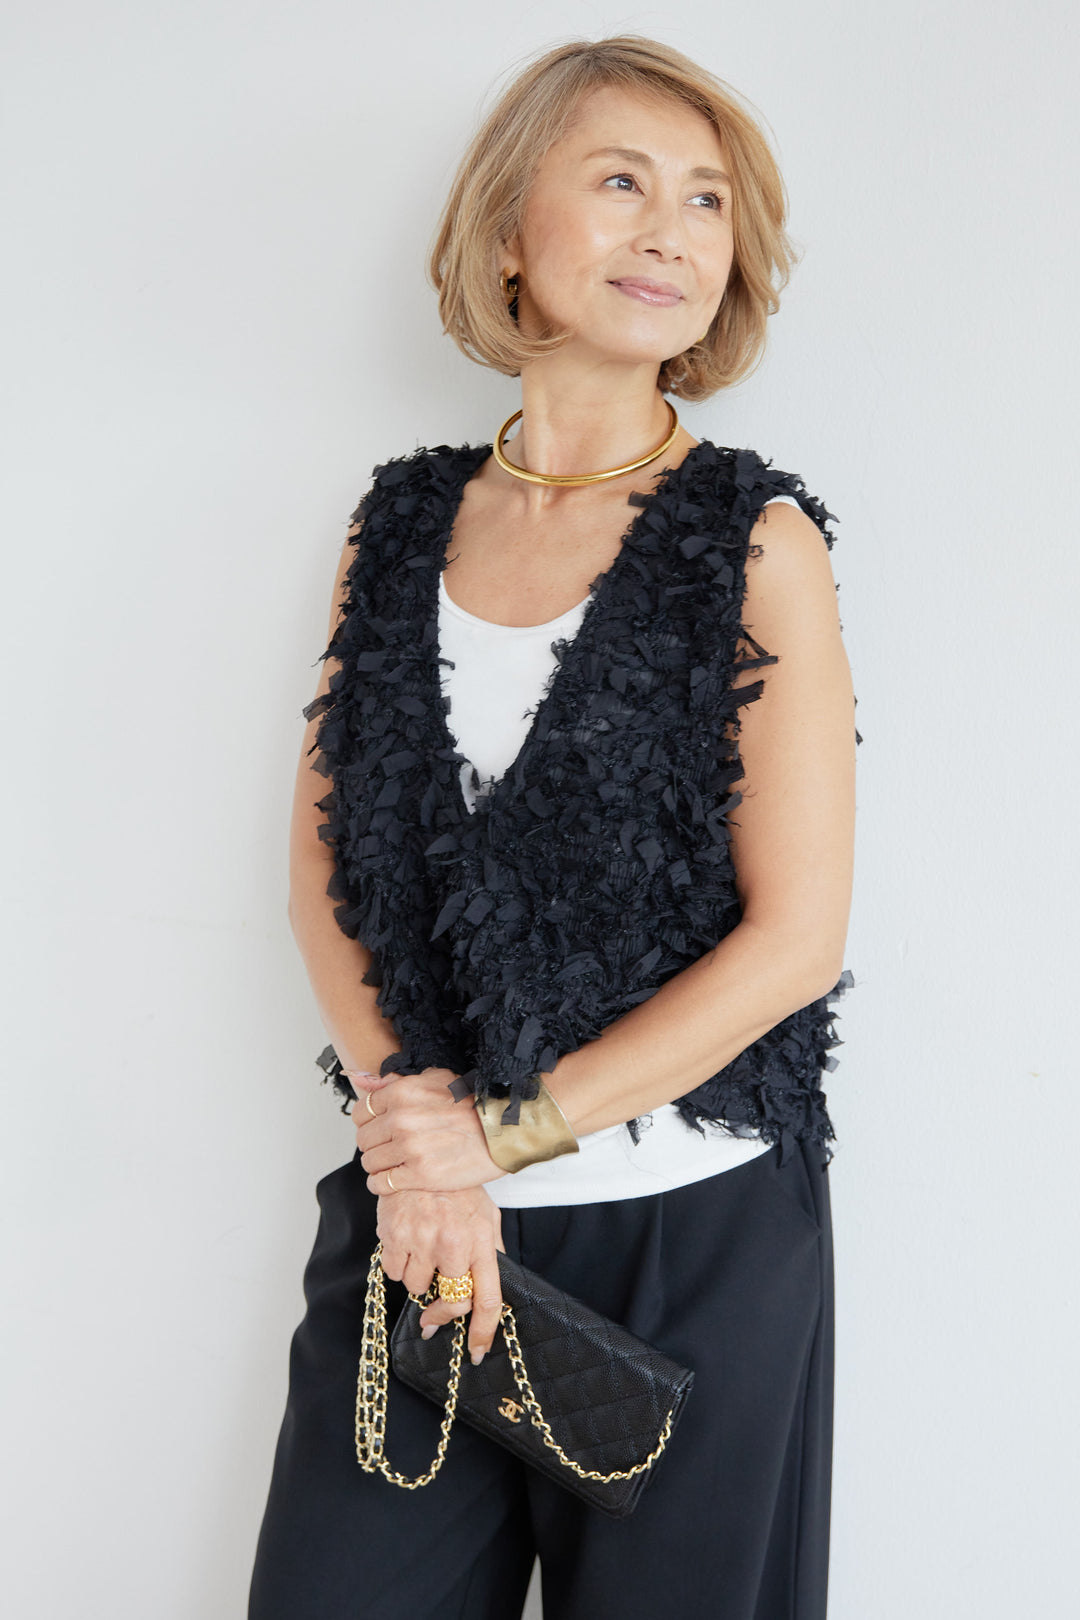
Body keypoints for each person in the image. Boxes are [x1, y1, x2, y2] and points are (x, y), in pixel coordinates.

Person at [248, 34, 857, 1620]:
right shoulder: (398, 523)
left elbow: (797, 940)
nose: (673, 232)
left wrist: (496, 1140)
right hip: (417, 1237)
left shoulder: (756, 542)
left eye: (708, 201)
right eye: (623, 182)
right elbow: (324, 869)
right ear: (510, 229)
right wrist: (419, 1142)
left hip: (691, 1246)